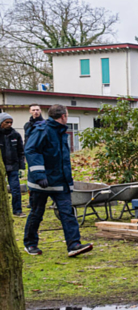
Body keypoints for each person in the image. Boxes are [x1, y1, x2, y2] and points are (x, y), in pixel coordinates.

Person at [23, 104, 93, 257]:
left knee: (67, 213)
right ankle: (30, 244)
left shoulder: (60, 131)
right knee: (36, 214)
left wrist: (68, 182)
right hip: (41, 184)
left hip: (60, 183)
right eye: (67, 115)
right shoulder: (42, 130)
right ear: (63, 116)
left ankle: (74, 245)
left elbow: (62, 160)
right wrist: (40, 175)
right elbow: (31, 150)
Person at [0, 112, 25, 217]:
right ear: (1, 123)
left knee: (16, 190)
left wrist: (21, 167)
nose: (9, 124)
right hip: (1, 167)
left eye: (11, 122)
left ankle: (17, 210)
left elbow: (21, 152)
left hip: (13, 167)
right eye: (7, 122)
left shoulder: (16, 135)